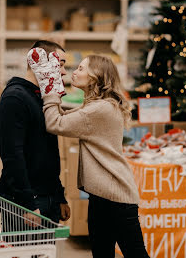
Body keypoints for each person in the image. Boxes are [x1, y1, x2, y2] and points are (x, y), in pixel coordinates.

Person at [28, 53, 149, 258]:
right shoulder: (98, 105)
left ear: (96, 76)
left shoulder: (100, 109)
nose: (74, 72)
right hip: (103, 195)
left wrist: (50, 91)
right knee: (102, 253)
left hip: (115, 198)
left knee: (135, 254)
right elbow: (66, 117)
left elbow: (55, 123)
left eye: (81, 68)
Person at [0, 40, 71, 227]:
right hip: (24, 201)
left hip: (48, 197)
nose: (64, 72)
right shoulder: (15, 98)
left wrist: (58, 195)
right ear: (37, 62)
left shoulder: (43, 98)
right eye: (60, 65)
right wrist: (28, 204)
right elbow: (12, 156)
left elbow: (49, 151)